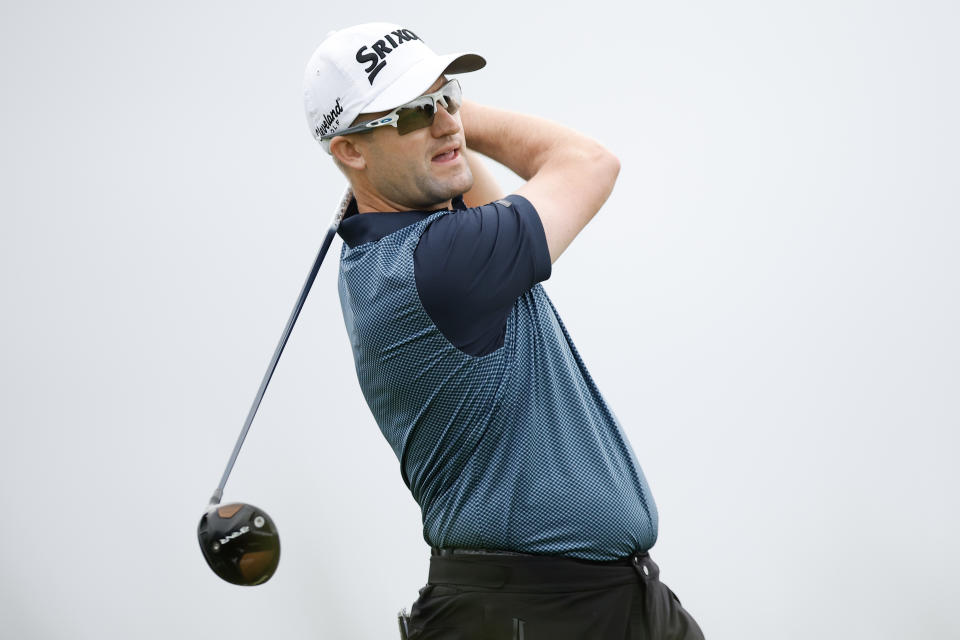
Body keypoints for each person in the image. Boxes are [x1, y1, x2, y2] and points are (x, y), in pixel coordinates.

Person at [303, 22, 705, 640]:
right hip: (531, 611)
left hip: (599, 599)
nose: (445, 122)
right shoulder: (442, 264)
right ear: (350, 152)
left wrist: (433, 121)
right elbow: (589, 162)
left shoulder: (406, 248)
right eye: (412, 113)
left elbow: (471, 189)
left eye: (448, 96)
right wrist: (460, 117)